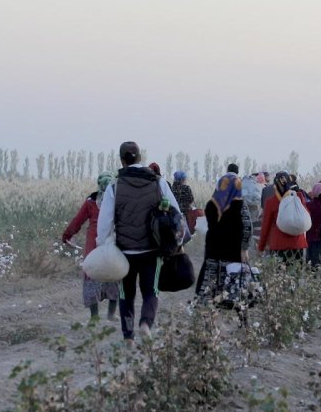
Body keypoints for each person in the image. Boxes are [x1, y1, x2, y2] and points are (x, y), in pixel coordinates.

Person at [97, 141, 182, 344]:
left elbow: (105, 222)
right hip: (151, 250)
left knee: (126, 294)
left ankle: (128, 336)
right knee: (150, 291)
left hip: (124, 252)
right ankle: (145, 324)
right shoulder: (158, 183)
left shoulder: (115, 186)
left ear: (122, 160)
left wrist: (102, 246)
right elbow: (176, 214)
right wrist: (177, 242)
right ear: (140, 157)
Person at [62, 172, 120, 321]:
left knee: (91, 277)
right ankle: (111, 314)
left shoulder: (91, 201)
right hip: (111, 243)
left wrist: (67, 236)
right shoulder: (117, 201)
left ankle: (94, 317)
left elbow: (77, 221)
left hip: (93, 245)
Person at [195, 173, 253, 301]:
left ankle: (208, 309)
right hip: (233, 252)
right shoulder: (240, 205)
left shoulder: (212, 204)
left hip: (213, 251)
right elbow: (248, 228)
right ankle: (232, 308)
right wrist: (244, 248)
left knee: (210, 286)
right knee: (233, 285)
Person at [257, 172, 308, 265]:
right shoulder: (298, 197)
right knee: (296, 272)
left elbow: (265, 226)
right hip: (298, 245)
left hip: (278, 245)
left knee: (279, 272)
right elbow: (305, 216)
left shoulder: (271, 202)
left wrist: (261, 247)